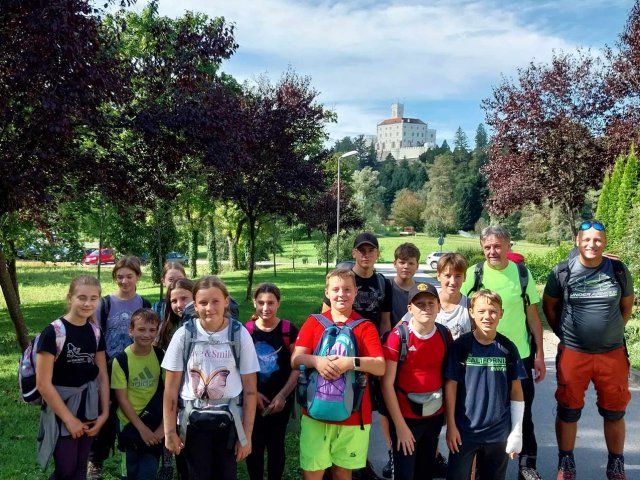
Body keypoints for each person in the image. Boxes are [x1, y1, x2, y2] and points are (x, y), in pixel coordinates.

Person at [542, 220, 634, 480]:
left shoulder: (618, 270)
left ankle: (616, 464)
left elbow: (626, 306)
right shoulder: (562, 272)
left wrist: (609, 331)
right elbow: (550, 306)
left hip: (612, 354)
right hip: (574, 353)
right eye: (587, 239)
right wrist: (565, 334)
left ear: (604, 242)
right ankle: (566, 463)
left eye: (597, 240)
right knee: (568, 409)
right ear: (577, 241)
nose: (592, 244)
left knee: (615, 411)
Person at [461, 225, 546, 480]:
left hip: (518, 355)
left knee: (523, 411)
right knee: (483, 411)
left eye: (497, 246)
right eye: (487, 247)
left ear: (508, 246)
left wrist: (540, 354)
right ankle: (479, 466)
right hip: (483, 354)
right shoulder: (474, 273)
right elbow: (460, 310)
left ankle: (527, 465)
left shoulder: (521, 273)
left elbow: (533, 317)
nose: (492, 251)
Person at [162, 276, 259, 480]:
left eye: (215, 301)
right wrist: (170, 432)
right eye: (203, 302)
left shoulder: (239, 335)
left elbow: (250, 390)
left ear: (226, 301)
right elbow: (170, 390)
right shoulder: (183, 335)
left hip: (229, 422)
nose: (209, 308)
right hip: (192, 423)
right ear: (195, 305)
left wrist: (246, 436)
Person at [293, 268, 385, 480]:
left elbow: (380, 366)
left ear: (355, 292)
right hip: (314, 414)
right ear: (327, 292)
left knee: (343, 473)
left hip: (353, 415)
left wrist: (350, 363)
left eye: (347, 289)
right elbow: (296, 359)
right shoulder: (314, 322)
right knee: (313, 472)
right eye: (335, 289)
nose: (341, 294)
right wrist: (317, 361)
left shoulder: (365, 327)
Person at [445, 289, 527, 480]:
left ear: (501, 314)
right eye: (481, 311)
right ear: (471, 312)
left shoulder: (508, 348)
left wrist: (516, 432)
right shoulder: (461, 346)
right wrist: (451, 425)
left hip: (498, 433)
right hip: (464, 431)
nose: (487, 316)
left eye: (493, 311)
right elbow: (450, 386)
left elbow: (516, 391)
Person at [36, 275, 110, 479]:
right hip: (62, 408)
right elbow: (43, 384)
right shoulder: (53, 333)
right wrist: (69, 420)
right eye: (82, 298)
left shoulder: (95, 332)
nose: (88, 303)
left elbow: (102, 375)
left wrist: (104, 413)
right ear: (70, 298)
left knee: (80, 469)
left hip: (89, 406)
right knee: (66, 469)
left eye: (93, 298)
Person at [381, 282, 452, 480]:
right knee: (404, 473)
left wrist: (449, 418)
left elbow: (449, 379)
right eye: (419, 304)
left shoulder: (444, 334)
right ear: (409, 309)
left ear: (439, 306)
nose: (426, 308)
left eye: (431, 303)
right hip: (406, 419)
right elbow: (386, 384)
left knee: (425, 472)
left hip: (434, 417)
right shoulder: (398, 337)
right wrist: (400, 426)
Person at [89, 256, 151, 478]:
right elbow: (95, 335)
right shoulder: (105, 304)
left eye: (129, 276)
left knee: (132, 410)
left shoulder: (144, 304)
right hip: (108, 366)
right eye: (120, 276)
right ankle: (96, 459)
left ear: (138, 277)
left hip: (135, 366)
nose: (124, 281)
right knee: (105, 411)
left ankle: (134, 453)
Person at [245, 283, 300, 480]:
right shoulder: (247, 331)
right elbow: (239, 367)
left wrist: (283, 395)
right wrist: (253, 393)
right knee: (254, 445)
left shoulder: (288, 330)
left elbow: (297, 367)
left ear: (278, 303)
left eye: (270, 303)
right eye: (261, 303)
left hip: (280, 399)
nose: (265, 308)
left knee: (276, 445)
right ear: (254, 303)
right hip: (253, 399)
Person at [111, 309, 164, 480]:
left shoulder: (160, 356)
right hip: (129, 424)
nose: (147, 334)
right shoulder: (121, 360)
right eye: (141, 329)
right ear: (131, 330)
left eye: (152, 330)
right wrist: (142, 429)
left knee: (148, 472)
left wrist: (163, 427)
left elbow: (168, 392)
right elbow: (122, 399)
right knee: (130, 472)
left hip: (154, 423)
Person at [322, 232, 392, 335]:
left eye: (371, 250)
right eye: (362, 250)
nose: (366, 255)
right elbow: (325, 316)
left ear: (378, 254)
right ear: (354, 253)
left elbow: (385, 321)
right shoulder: (341, 280)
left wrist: (385, 341)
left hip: (372, 339)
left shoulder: (384, 284)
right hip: (344, 338)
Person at [436, 253, 471, 340]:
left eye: (458, 276)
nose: (453, 282)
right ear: (438, 276)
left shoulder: (470, 306)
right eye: (447, 276)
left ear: (464, 277)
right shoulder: (426, 302)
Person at [157, 278, 195, 351]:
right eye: (174, 301)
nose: (179, 305)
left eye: (184, 298)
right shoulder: (166, 327)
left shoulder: (205, 324)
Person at [390, 243, 421, 324]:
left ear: (417, 266)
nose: (406, 266)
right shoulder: (386, 286)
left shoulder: (421, 290)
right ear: (395, 264)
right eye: (402, 262)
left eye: (411, 263)